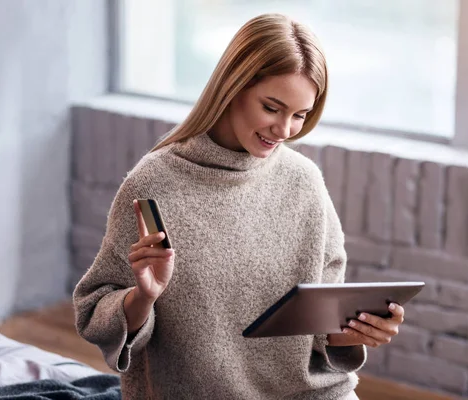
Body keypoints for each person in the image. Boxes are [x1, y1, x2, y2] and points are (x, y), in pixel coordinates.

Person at [73, 13, 405, 400]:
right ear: (232, 88)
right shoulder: (154, 184)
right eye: (272, 108)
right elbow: (94, 311)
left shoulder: (304, 181)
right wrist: (144, 296)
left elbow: (321, 319)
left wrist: (353, 331)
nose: (284, 131)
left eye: (300, 115)